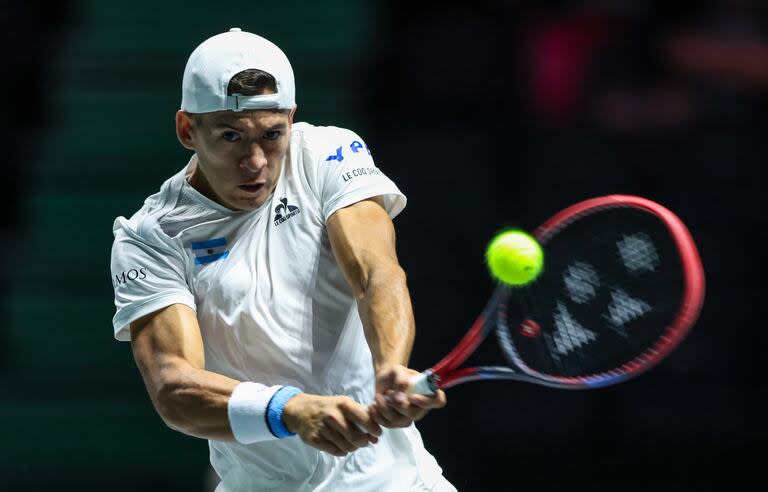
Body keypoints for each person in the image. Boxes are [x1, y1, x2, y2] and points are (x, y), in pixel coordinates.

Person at [109, 27, 455, 491]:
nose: (255, 162)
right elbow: (175, 388)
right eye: (231, 136)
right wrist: (290, 409)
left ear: (292, 118)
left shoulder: (327, 154)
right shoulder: (149, 237)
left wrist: (389, 366)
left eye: (272, 135)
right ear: (187, 130)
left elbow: (377, 273)